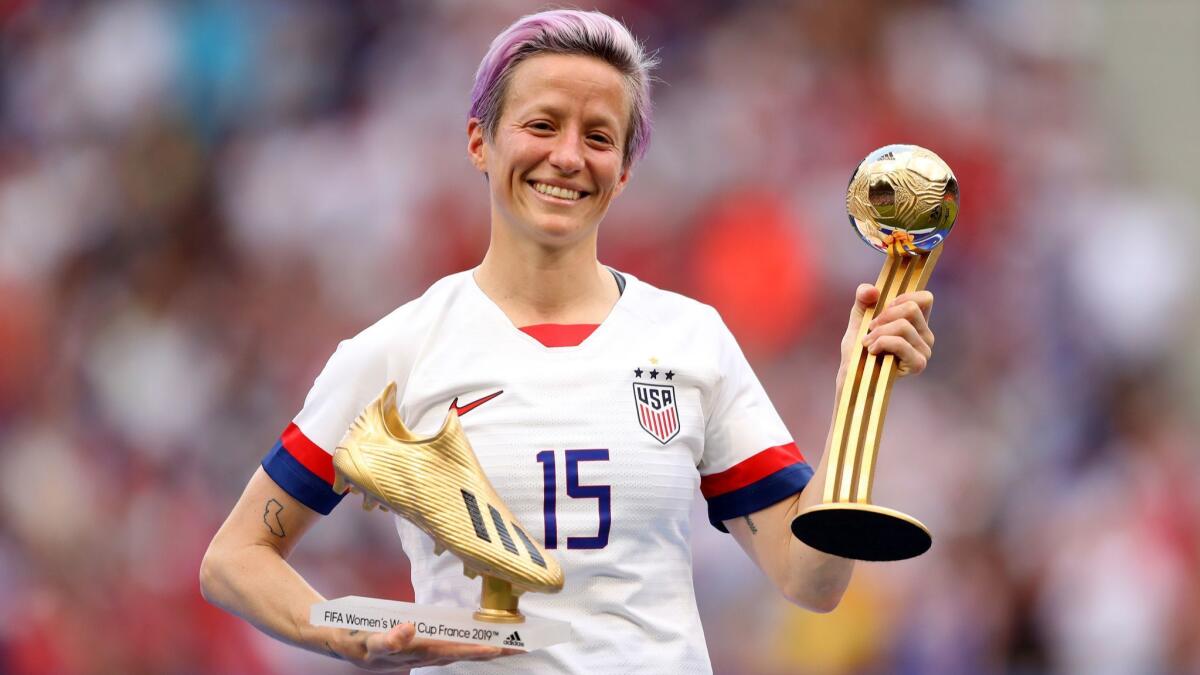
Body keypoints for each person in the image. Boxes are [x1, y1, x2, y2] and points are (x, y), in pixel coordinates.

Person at [200, 9, 936, 673]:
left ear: (624, 172)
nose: (568, 157)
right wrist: (345, 627)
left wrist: (856, 396)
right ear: (479, 141)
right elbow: (234, 558)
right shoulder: (397, 351)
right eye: (542, 124)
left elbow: (811, 580)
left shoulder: (690, 339)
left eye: (599, 137)